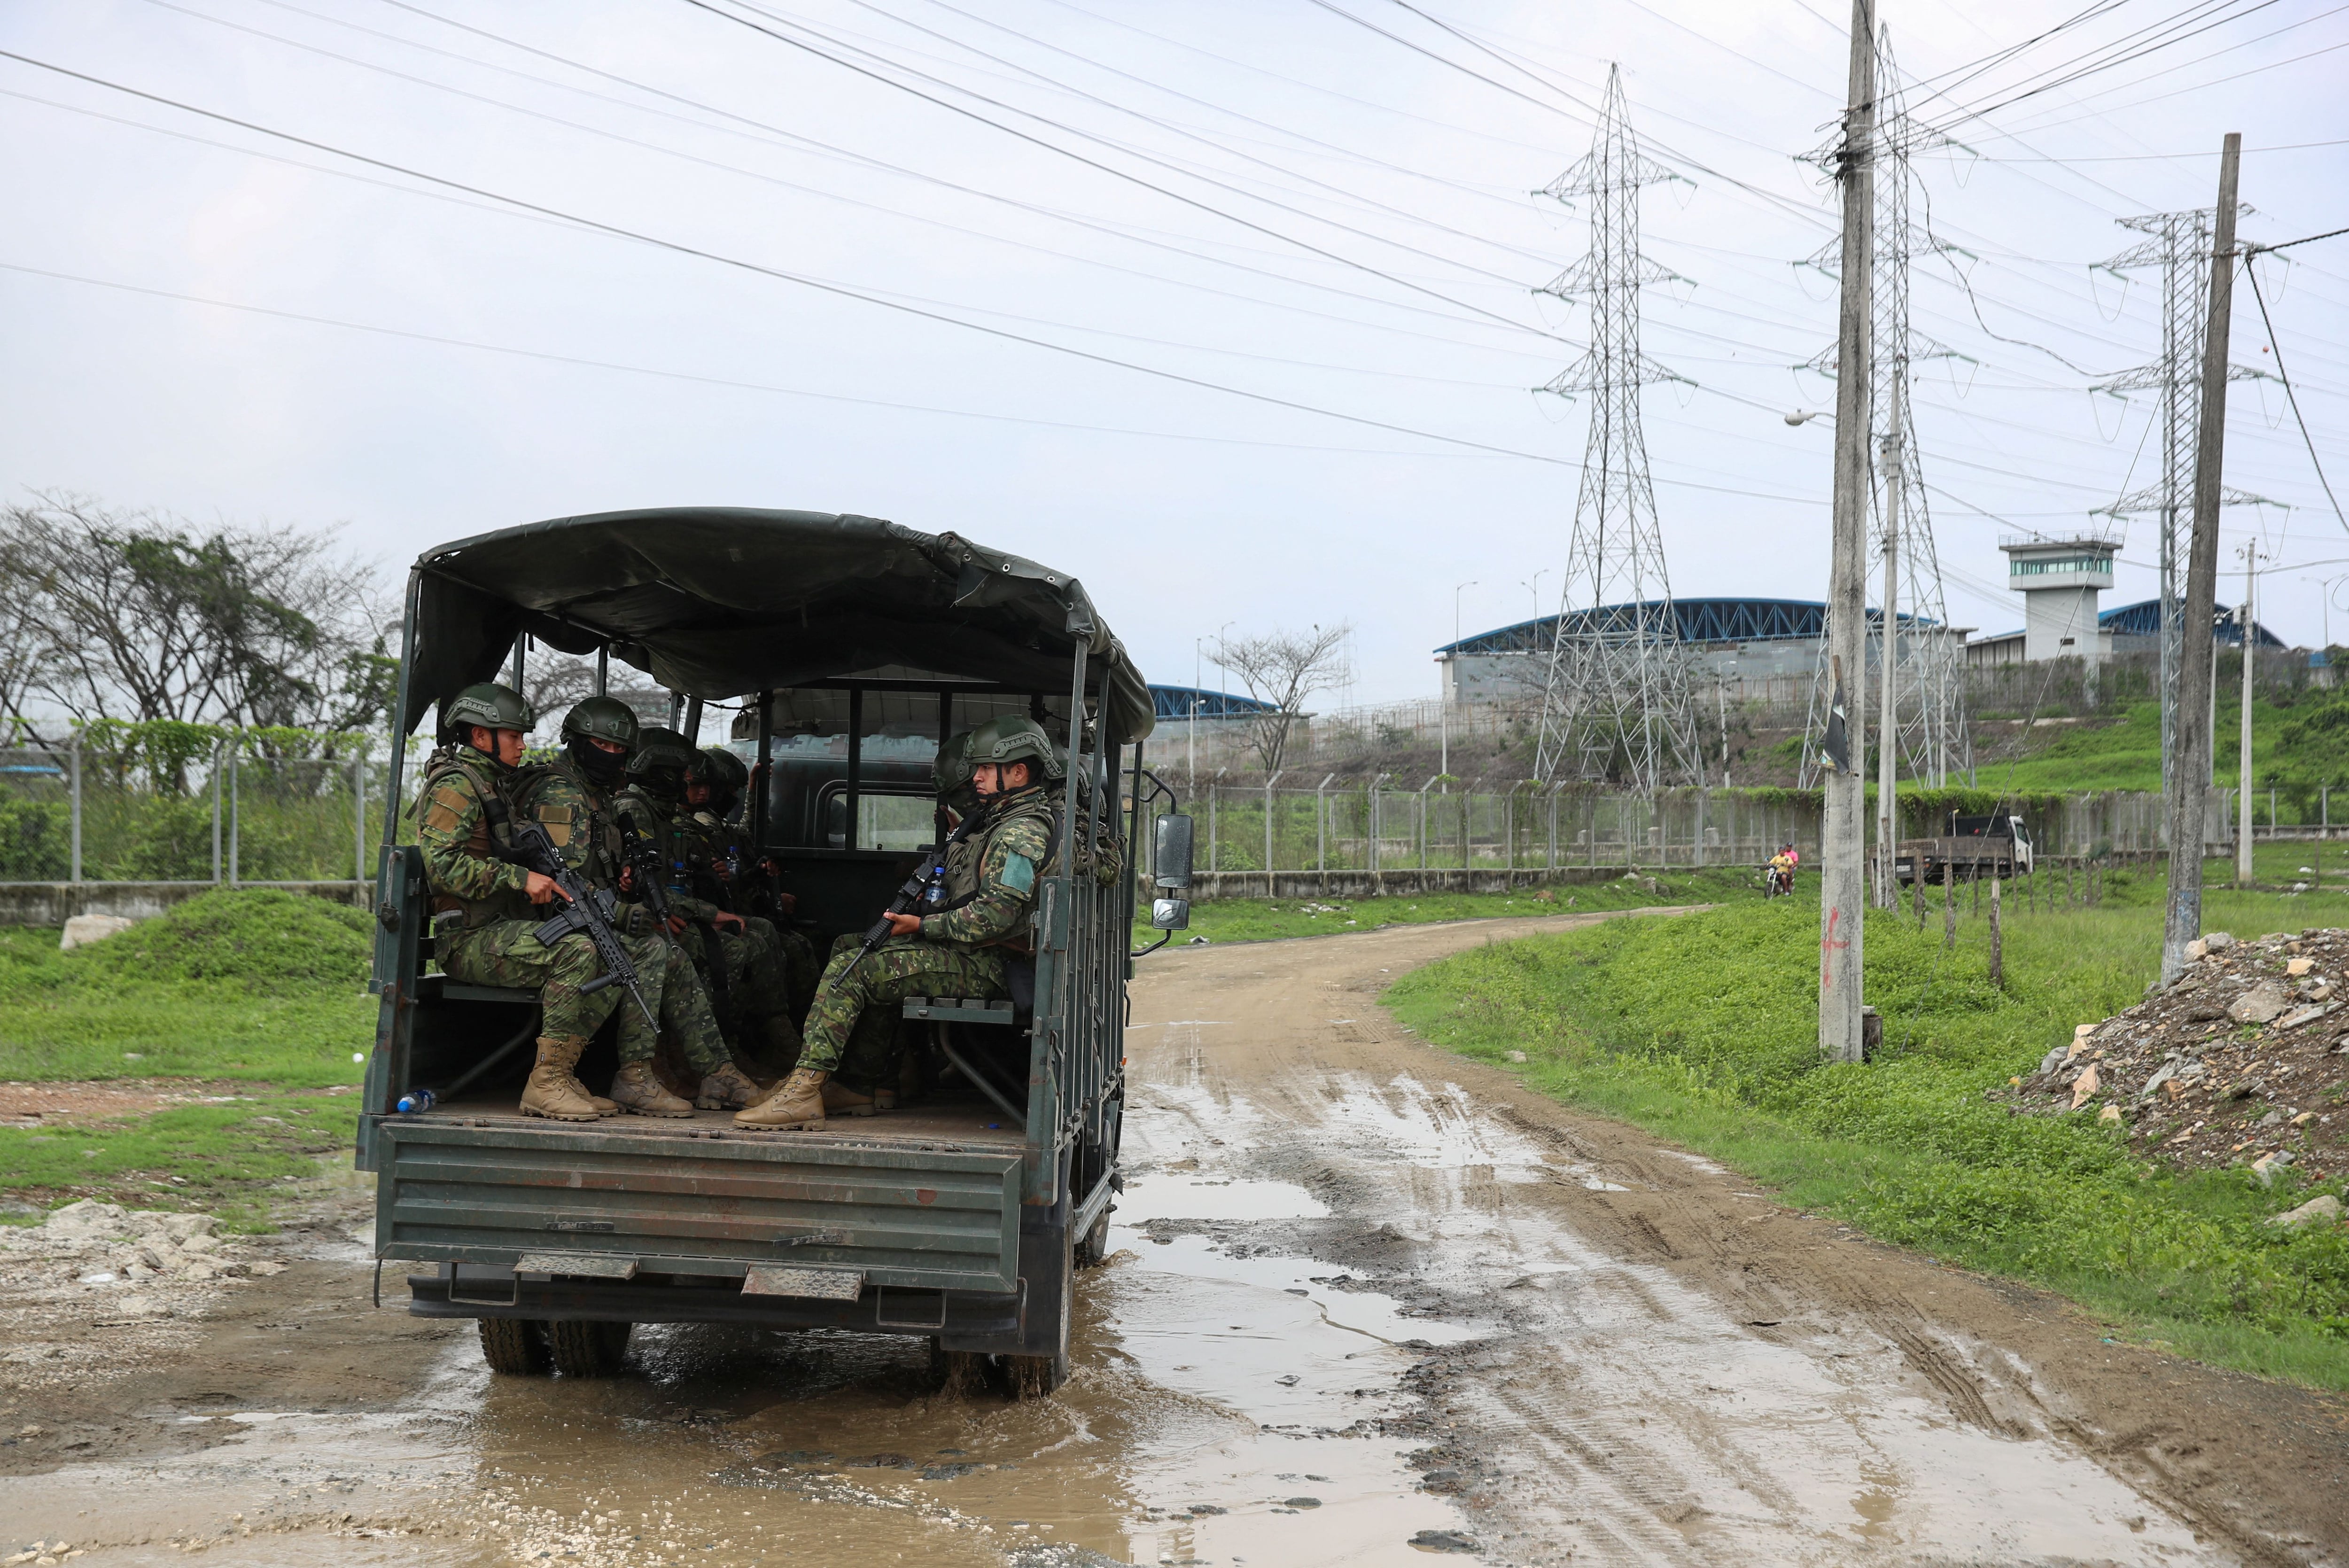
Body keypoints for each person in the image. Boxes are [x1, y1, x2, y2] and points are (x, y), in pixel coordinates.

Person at [736, 715, 1060, 1131]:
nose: (976, 778)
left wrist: (922, 927)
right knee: (856, 947)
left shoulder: (1020, 833)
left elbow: (995, 918)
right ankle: (861, 1083)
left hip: (994, 965)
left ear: (1018, 772)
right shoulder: (998, 821)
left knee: (854, 971)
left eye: (984, 769)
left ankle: (803, 1090)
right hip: (977, 954)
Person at [513, 703, 757, 1117]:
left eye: (618, 747)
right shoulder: (562, 794)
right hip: (552, 922)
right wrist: (623, 913)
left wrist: (623, 881)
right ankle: (578, 1074)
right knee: (647, 951)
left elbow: (593, 871)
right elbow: (562, 882)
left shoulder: (597, 796)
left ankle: (711, 1071)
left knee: (667, 953)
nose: (611, 754)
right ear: (576, 741)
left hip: (585, 917)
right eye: (601, 744)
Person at [412, 683, 635, 1122]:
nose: (522, 745)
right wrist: (519, 878)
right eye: (514, 736)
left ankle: (561, 1075)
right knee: (577, 952)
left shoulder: (494, 786)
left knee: (615, 957)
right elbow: (442, 869)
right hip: (468, 939)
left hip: (499, 930)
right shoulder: (457, 787)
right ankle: (546, 1083)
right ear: (481, 736)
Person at [612, 733, 801, 1084]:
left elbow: (677, 874)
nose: (696, 791)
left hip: (668, 913)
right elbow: (644, 883)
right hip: (639, 920)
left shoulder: (663, 814)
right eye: (688, 780)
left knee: (745, 941)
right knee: (724, 950)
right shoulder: (637, 810)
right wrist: (711, 914)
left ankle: (720, 1053)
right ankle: (687, 1059)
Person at [686, 746, 818, 1031]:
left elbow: (747, 831)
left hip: (737, 908)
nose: (732, 796)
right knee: (766, 944)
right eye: (730, 790)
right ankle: (770, 1031)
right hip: (713, 914)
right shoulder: (696, 827)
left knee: (799, 944)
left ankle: (799, 1026)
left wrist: (755, 790)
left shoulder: (717, 824)